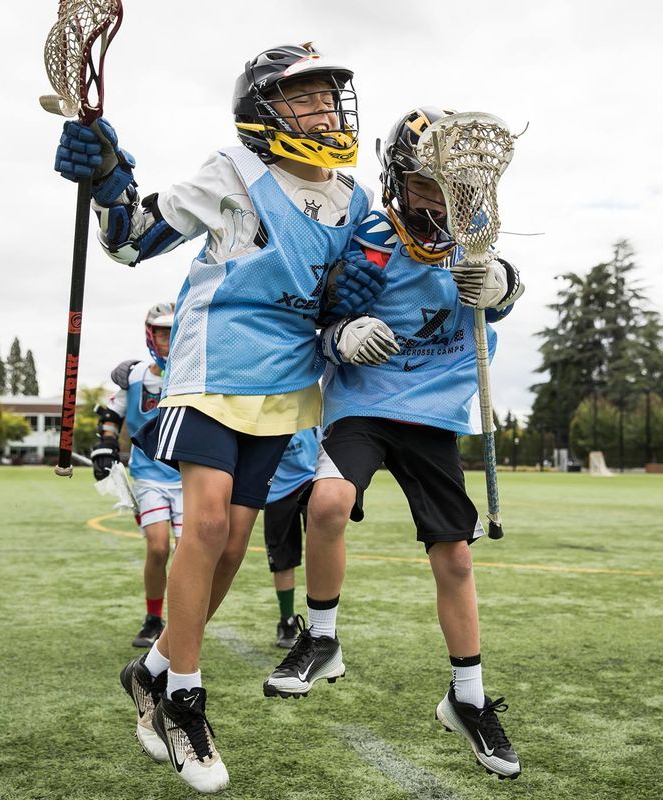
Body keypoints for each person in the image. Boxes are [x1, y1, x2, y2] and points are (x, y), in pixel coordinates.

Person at [55, 43, 394, 794]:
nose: (324, 111)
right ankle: (183, 700)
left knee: (235, 541)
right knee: (204, 527)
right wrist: (109, 180)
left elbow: (347, 301)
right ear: (266, 110)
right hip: (213, 367)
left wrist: (347, 332)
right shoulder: (233, 173)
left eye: (329, 97)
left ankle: (148, 670)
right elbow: (132, 238)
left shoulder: (355, 201)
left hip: (284, 387)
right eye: (304, 98)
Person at [261, 107, 525, 781]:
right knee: (327, 502)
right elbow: (319, 315)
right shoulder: (368, 234)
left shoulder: (476, 232)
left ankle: (466, 698)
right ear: (399, 180)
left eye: (451, 186)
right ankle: (321, 640)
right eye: (427, 184)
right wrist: (341, 334)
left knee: (456, 561)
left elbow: (505, 292)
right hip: (365, 402)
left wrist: (502, 284)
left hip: (435, 413)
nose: (440, 200)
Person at [92, 303, 181, 650]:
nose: (167, 340)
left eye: (173, 332)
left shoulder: (192, 371)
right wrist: (106, 445)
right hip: (147, 477)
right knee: (158, 547)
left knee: (188, 552)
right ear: (150, 335)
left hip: (188, 477)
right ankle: (153, 619)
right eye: (161, 332)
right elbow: (110, 416)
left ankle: (182, 622)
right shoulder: (132, 375)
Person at [263, 427, 318, 648]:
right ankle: (287, 620)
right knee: (282, 558)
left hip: (311, 477)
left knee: (320, 548)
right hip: (276, 489)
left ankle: (321, 624)